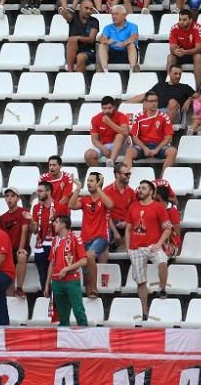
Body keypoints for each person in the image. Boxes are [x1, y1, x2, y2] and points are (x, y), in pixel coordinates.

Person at [125, 179, 171, 318]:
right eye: (139, 188)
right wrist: (128, 248)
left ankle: (162, 289)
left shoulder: (158, 207)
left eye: (144, 188)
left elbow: (168, 228)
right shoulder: (133, 206)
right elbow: (128, 229)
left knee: (163, 262)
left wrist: (159, 244)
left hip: (152, 246)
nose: (140, 190)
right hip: (136, 248)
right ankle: (144, 311)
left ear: (151, 191)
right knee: (141, 281)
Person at [69, 172, 114, 298]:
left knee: (89, 256)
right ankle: (89, 289)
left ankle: (93, 289)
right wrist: (78, 188)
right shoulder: (85, 200)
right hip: (85, 238)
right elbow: (71, 205)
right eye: (88, 180)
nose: (88, 182)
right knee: (85, 266)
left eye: (91, 180)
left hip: (101, 237)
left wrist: (99, 188)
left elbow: (110, 205)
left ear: (99, 183)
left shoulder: (104, 198)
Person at [43, 214, 88, 326]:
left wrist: (66, 269)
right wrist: (47, 284)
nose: (54, 224)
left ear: (63, 224)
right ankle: (64, 341)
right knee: (62, 316)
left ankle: (86, 339)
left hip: (71, 281)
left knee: (78, 311)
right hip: (57, 282)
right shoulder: (54, 241)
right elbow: (51, 264)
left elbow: (84, 261)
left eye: (57, 222)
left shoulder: (75, 238)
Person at [124, 91, 176, 172]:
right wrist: (144, 148)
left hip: (159, 146)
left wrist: (157, 149)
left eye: (156, 101)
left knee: (173, 151)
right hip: (143, 146)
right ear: (145, 103)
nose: (154, 103)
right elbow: (134, 137)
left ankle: (162, 180)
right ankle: (125, 176)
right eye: (151, 101)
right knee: (129, 152)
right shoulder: (139, 117)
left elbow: (168, 137)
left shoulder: (164, 117)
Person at [166, 9, 201, 91]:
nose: (181, 22)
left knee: (198, 56)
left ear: (190, 20)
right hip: (182, 53)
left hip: (194, 53)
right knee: (170, 57)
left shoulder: (197, 28)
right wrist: (175, 51)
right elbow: (172, 47)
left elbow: (198, 48)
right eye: (180, 19)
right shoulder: (174, 28)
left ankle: (198, 88)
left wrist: (185, 52)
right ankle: (169, 87)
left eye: (184, 20)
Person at [86, 96, 129, 167]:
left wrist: (109, 123)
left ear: (114, 107)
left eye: (109, 108)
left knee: (120, 135)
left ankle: (111, 162)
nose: (107, 111)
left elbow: (125, 132)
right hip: (105, 146)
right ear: (101, 108)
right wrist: (103, 148)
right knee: (88, 155)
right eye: (104, 108)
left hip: (121, 146)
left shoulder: (121, 116)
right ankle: (98, 175)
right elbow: (94, 140)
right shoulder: (95, 119)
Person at [97, 4, 139, 72]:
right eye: (112, 14)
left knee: (131, 44)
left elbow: (135, 37)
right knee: (102, 45)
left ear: (124, 15)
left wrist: (124, 43)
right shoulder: (108, 27)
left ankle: (132, 70)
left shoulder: (132, 26)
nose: (113, 16)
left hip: (126, 53)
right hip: (112, 53)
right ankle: (104, 70)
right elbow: (101, 39)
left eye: (116, 14)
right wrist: (107, 41)